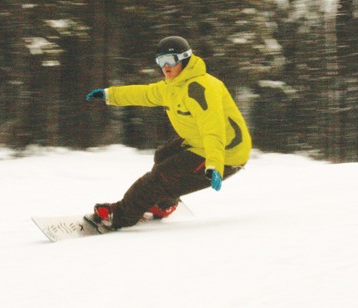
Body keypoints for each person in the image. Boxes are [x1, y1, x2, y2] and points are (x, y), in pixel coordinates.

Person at [85, 36, 252, 233]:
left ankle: (119, 215)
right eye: (160, 62)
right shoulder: (172, 86)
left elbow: (213, 129)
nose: (165, 67)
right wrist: (109, 95)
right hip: (199, 141)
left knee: (161, 176)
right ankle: (164, 205)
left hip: (225, 152)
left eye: (170, 61)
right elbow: (144, 94)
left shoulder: (200, 88)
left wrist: (214, 164)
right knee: (163, 156)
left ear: (185, 59)